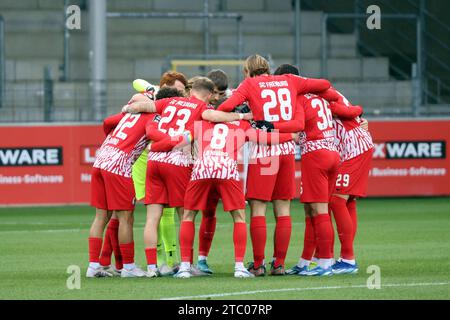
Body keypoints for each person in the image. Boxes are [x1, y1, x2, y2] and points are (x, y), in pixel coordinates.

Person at [123, 77, 253, 277]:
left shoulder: (169, 101)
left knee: (152, 217)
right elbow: (212, 117)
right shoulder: (202, 108)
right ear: (209, 95)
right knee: (186, 214)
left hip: (154, 160)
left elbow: (146, 106)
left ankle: (151, 268)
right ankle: (186, 266)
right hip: (177, 161)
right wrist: (242, 117)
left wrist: (128, 108)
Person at [148, 107, 297, 278]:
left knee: (188, 216)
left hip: (203, 166)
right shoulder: (242, 125)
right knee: (239, 217)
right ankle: (239, 267)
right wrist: (290, 136)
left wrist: (155, 147)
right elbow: (265, 139)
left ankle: (184, 268)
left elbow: (179, 141)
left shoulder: (201, 123)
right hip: (226, 167)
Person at [217, 54, 331, 276]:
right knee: (283, 209)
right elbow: (324, 84)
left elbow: (226, 106)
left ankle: (258, 264)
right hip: (287, 149)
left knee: (258, 208)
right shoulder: (290, 80)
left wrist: (246, 116)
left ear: (247, 71)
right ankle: (278, 264)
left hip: (264, 151)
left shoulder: (249, 84)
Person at [87, 100, 161, 278]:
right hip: (118, 164)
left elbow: (107, 122)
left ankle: (93, 266)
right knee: (125, 217)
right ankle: (128, 267)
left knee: (101, 216)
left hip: (100, 159)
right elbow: (153, 133)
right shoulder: (154, 116)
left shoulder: (128, 115)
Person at [326, 88, 374, 274]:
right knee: (348, 202)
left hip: (354, 149)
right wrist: (358, 112)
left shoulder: (318, 93)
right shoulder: (317, 91)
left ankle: (348, 259)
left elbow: (344, 109)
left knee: (337, 200)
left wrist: (358, 111)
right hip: (350, 149)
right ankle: (344, 257)